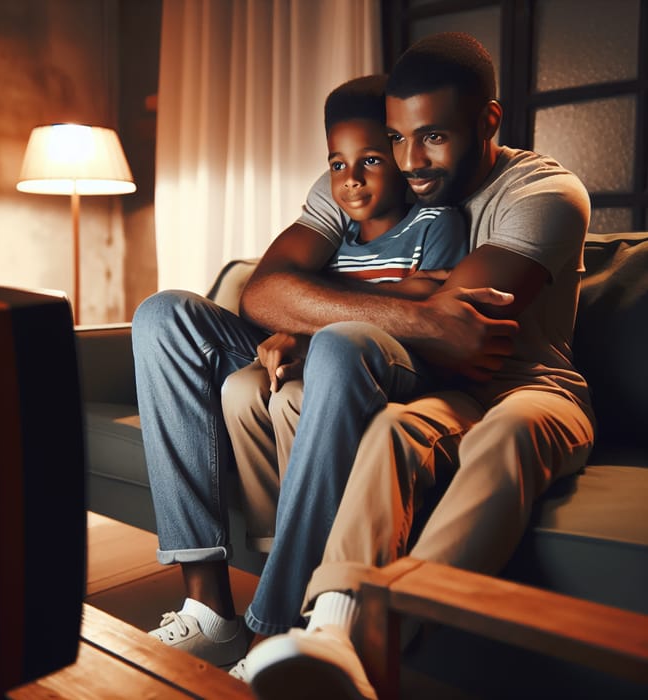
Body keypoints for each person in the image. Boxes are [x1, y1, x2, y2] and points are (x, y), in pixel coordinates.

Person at [240, 32, 595, 700]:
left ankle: (374, 645)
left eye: (432, 136)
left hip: (533, 387)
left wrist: (320, 319)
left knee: (508, 432)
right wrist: (363, 320)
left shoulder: (544, 192)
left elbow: (463, 331)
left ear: (488, 120)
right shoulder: (390, 181)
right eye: (398, 139)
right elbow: (269, 294)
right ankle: (328, 630)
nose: (410, 161)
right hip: (444, 389)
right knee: (393, 432)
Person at [130, 73, 469, 673]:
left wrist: (312, 314)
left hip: (373, 366)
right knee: (160, 315)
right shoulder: (332, 225)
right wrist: (303, 320)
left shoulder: (437, 220)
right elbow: (265, 297)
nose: (349, 179)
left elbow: (426, 307)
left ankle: (278, 623)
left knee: (335, 344)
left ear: (399, 153)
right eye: (337, 163)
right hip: (296, 352)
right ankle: (208, 608)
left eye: (368, 159)